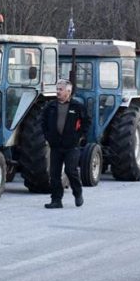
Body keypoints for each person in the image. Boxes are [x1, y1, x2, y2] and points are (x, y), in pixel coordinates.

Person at [41, 79, 91, 209]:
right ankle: (56, 200)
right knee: (54, 174)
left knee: (70, 170)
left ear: (68, 91)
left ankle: (78, 193)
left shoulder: (77, 107)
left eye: (60, 89)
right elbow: (43, 122)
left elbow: (86, 122)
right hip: (56, 146)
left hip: (71, 146)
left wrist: (78, 136)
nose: (57, 92)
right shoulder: (50, 107)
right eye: (57, 89)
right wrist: (48, 136)